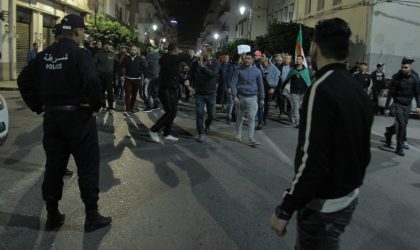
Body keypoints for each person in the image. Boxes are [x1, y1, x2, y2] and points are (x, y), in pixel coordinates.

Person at [270, 18, 373, 249]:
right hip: (348, 197)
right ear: (347, 50)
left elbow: (312, 161)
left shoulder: (321, 87)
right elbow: (363, 150)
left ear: (314, 47)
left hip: (323, 206)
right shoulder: (357, 87)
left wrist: (285, 207)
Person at [17, 14, 111, 232]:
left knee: (54, 167)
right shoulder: (80, 54)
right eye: (83, 31)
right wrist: (95, 106)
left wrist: (37, 105)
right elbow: (92, 80)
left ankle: (52, 216)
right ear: (77, 32)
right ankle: (91, 215)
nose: (84, 35)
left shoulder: (44, 56)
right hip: (79, 119)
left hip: (53, 120)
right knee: (87, 167)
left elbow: (23, 80)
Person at [149, 43, 192, 143]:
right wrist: (188, 54)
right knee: (169, 111)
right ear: (176, 50)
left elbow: (174, 74)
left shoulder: (173, 60)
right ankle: (153, 130)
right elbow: (185, 56)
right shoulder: (167, 57)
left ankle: (167, 133)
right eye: (178, 50)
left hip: (172, 89)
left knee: (173, 112)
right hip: (165, 89)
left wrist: (184, 82)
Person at [384, 56, 420, 156]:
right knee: (401, 125)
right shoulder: (396, 76)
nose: (403, 69)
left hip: (407, 105)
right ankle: (399, 148)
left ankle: (389, 132)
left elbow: (417, 93)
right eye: (402, 67)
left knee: (404, 125)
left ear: (410, 67)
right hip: (397, 104)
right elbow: (390, 93)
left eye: (406, 67)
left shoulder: (415, 77)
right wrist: (387, 107)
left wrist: (418, 106)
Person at [231, 52, 265, 147]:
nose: (247, 60)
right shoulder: (238, 70)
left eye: (249, 58)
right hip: (240, 97)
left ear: (253, 60)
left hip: (253, 98)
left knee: (252, 118)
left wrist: (262, 98)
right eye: (245, 58)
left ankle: (251, 138)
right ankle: (238, 135)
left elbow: (260, 85)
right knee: (239, 117)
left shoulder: (257, 71)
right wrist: (234, 96)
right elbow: (233, 83)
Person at [190, 44, 220, 143]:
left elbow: (213, 74)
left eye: (203, 51)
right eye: (201, 51)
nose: (201, 53)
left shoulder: (215, 62)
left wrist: (203, 67)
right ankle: (201, 133)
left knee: (212, 114)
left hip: (211, 93)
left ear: (209, 52)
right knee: (199, 113)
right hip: (200, 93)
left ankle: (207, 125)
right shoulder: (196, 62)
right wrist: (187, 81)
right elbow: (190, 73)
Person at [120, 45, 149, 117]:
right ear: (130, 50)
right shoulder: (126, 58)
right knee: (127, 94)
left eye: (135, 50)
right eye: (132, 50)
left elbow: (145, 69)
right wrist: (121, 75)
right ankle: (128, 109)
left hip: (137, 80)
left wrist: (146, 77)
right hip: (127, 79)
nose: (133, 51)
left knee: (134, 95)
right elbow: (121, 66)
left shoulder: (140, 59)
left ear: (137, 51)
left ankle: (131, 108)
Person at [282, 55, 309, 127]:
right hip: (294, 91)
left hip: (303, 92)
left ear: (302, 60)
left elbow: (308, 81)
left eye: (300, 59)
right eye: (297, 59)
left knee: (299, 107)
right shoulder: (292, 70)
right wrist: (282, 87)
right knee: (296, 106)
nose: (298, 60)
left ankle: (291, 115)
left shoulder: (305, 70)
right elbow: (287, 79)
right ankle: (298, 122)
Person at [94, 40, 119, 114]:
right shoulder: (99, 53)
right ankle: (104, 106)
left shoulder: (113, 54)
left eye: (110, 45)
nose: (110, 46)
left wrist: (114, 52)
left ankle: (111, 108)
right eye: (108, 44)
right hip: (100, 75)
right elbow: (94, 63)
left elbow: (117, 63)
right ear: (105, 45)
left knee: (110, 92)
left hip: (109, 76)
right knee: (101, 92)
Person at [256, 57, 280, 130]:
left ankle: (264, 118)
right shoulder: (258, 67)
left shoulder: (274, 68)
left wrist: (273, 88)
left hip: (269, 88)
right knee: (260, 104)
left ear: (268, 61)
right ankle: (260, 122)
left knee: (266, 104)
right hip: (260, 88)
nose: (263, 64)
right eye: (262, 63)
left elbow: (277, 78)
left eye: (264, 62)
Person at [143, 47, 161, 112]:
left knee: (147, 92)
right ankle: (156, 105)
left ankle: (149, 106)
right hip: (158, 77)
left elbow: (145, 68)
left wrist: (146, 77)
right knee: (154, 92)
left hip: (150, 77)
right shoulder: (159, 57)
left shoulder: (147, 58)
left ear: (148, 52)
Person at [226, 54, 242, 125]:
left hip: (236, 87)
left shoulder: (237, 66)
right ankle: (229, 118)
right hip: (232, 87)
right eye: (240, 58)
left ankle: (233, 116)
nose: (241, 60)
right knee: (231, 103)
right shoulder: (232, 66)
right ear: (238, 59)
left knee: (234, 103)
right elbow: (228, 78)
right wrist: (229, 87)